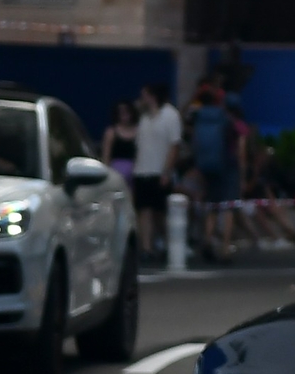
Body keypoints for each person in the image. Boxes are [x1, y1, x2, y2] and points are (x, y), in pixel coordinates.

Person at [185, 82, 239, 261]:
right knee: (228, 205)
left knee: (211, 205)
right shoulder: (225, 117)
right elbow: (235, 142)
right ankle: (225, 246)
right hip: (226, 166)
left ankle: (207, 240)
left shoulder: (198, 116)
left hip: (206, 165)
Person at [132, 82, 179, 253]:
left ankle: (167, 242)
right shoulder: (143, 117)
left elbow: (174, 145)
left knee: (160, 212)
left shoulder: (170, 115)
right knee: (144, 210)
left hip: (159, 170)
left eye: (144, 95)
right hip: (142, 169)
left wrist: (167, 171)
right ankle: (147, 246)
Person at [100, 100, 138, 176]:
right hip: (116, 170)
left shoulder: (139, 131)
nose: (124, 115)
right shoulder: (111, 132)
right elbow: (106, 155)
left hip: (136, 170)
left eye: (126, 112)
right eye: (121, 113)